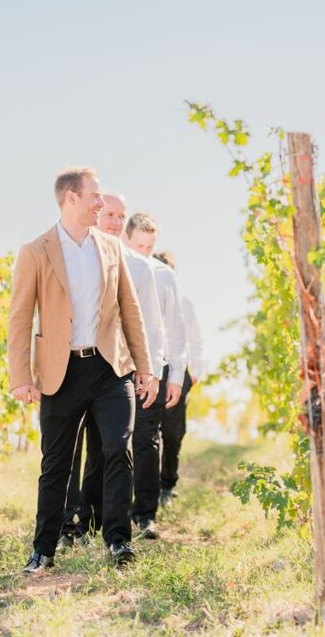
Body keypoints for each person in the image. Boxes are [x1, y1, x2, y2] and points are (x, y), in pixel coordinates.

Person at [8, 167, 153, 572]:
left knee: (117, 449)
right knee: (56, 463)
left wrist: (145, 368)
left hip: (110, 367)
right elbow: (19, 318)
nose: (101, 203)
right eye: (95, 195)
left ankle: (118, 542)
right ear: (71, 198)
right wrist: (20, 376)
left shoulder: (110, 247)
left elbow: (130, 309)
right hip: (61, 371)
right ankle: (44, 549)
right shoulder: (35, 251)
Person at [59, 192, 164, 547]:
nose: (115, 222)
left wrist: (147, 369)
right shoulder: (72, 257)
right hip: (73, 368)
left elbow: (147, 323)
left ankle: (100, 524)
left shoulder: (140, 268)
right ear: (95, 214)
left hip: (115, 371)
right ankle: (68, 525)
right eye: (109, 214)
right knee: (71, 450)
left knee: (109, 449)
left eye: (122, 216)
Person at [125, 211, 187, 539]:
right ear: (126, 238)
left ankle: (145, 515)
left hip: (155, 366)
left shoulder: (164, 275)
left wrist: (175, 373)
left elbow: (174, 327)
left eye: (150, 246)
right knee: (117, 442)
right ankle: (110, 513)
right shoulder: (117, 266)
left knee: (146, 440)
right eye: (138, 245)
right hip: (120, 364)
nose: (144, 252)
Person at [153, 250, 205, 507]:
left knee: (173, 433)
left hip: (179, 371)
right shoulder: (143, 300)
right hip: (150, 370)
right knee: (146, 434)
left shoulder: (185, 304)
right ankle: (146, 488)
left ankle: (167, 485)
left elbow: (196, 341)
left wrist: (195, 372)